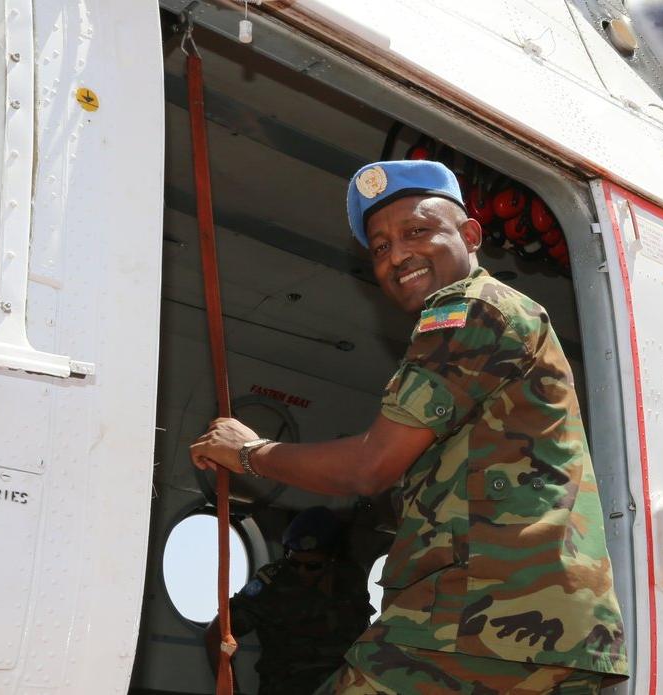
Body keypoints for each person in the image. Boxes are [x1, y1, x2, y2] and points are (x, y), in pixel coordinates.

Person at [191, 159, 628, 693]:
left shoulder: (470, 309)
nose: (396, 255)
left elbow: (369, 467)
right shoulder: (490, 318)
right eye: (379, 247)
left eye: (417, 232)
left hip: (485, 620)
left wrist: (249, 452)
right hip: (536, 626)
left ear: (470, 235)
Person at [205, 506, 372, 695]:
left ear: (332, 559)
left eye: (312, 566)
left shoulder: (352, 579)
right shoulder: (271, 584)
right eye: (294, 563)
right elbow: (216, 634)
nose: (301, 571)